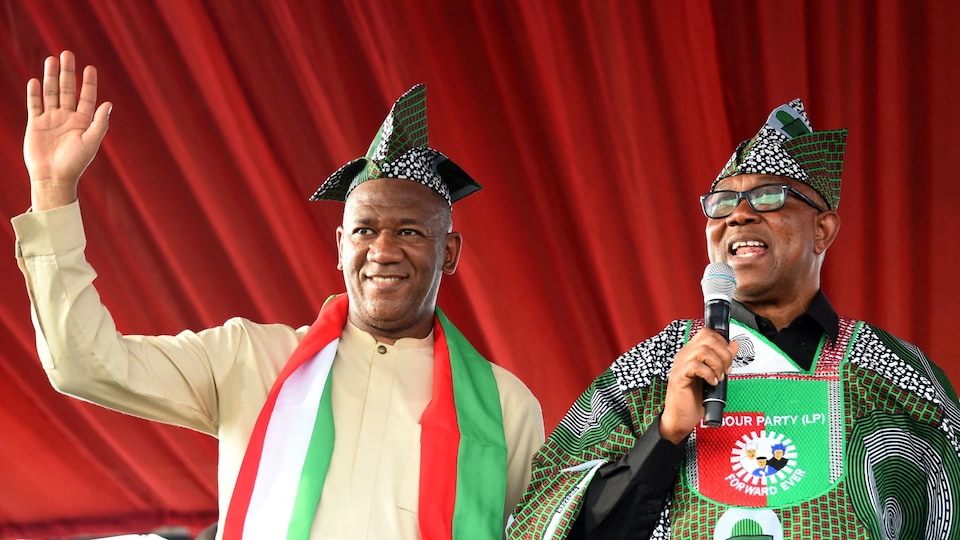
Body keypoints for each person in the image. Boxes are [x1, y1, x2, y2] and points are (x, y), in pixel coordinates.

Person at [13, 50, 544, 539]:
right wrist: (53, 191)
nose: (383, 250)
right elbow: (84, 364)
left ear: (448, 252)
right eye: (365, 230)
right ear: (340, 247)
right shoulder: (249, 359)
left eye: (409, 231)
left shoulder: (506, 409)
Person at [508, 99, 960, 539]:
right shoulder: (653, 367)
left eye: (768, 197)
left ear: (822, 229)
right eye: (723, 202)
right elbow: (544, 522)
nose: (739, 215)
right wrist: (666, 433)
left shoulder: (897, 374)